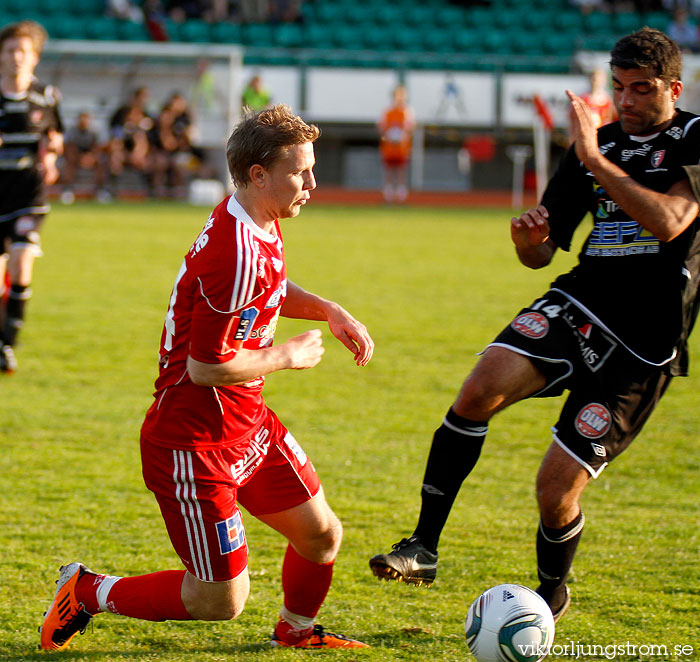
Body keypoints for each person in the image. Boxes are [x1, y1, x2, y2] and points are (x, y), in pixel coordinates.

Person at [369, 27, 700, 623]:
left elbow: (673, 222)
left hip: (642, 342)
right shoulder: (592, 147)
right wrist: (529, 241)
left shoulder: (693, 138)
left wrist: (596, 157)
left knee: (554, 491)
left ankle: (550, 593)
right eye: (619, 88)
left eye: (641, 90)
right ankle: (422, 546)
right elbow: (545, 253)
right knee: (477, 390)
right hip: (579, 302)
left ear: (674, 87)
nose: (625, 101)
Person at [40, 104, 375, 651]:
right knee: (218, 601)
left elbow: (269, 288)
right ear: (258, 174)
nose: (312, 183)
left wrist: (329, 309)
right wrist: (285, 356)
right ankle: (87, 590)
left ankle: (295, 632)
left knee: (321, 535)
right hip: (192, 444)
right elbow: (206, 366)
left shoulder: (257, 218)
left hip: (249, 426)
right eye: (300, 172)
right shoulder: (234, 249)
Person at [0, 20, 63, 374]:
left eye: (23, 51)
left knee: (21, 261)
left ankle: (9, 344)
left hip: (29, 193)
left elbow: (55, 137)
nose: (16, 57)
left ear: (34, 58)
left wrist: (52, 153)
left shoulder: (47, 96)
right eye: (10, 50)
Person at [105, 87, 154, 198]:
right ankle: (112, 190)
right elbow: (116, 137)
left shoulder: (147, 116)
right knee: (115, 157)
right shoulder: (121, 115)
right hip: (124, 151)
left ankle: (150, 192)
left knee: (154, 160)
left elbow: (151, 139)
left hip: (142, 154)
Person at [378, 85, 415, 204]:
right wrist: (388, 135)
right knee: (389, 170)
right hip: (389, 147)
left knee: (401, 171)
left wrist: (402, 135)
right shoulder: (388, 112)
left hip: (402, 147)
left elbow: (410, 128)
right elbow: (382, 128)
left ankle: (401, 196)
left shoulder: (407, 112)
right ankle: (388, 195)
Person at [61, 111, 106, 203]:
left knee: (100, 163)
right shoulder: (72, 132)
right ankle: (67, 190)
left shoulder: (94, 132)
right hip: (76, 157)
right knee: (69, 162)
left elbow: (97, 147)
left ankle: (101, 190)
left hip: (90, 157)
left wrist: (90, 157)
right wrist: (80, 158)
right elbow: (69, 147)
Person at [568, 68, 617, 144]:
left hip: (601, 137)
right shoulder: (582, 99)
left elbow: (610, 119)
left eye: (598, 79)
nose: (596, 81)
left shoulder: (607, 100)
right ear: (589, 79)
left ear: (603, 80)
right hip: (585, 137)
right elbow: (573, 119)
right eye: (593, 78)